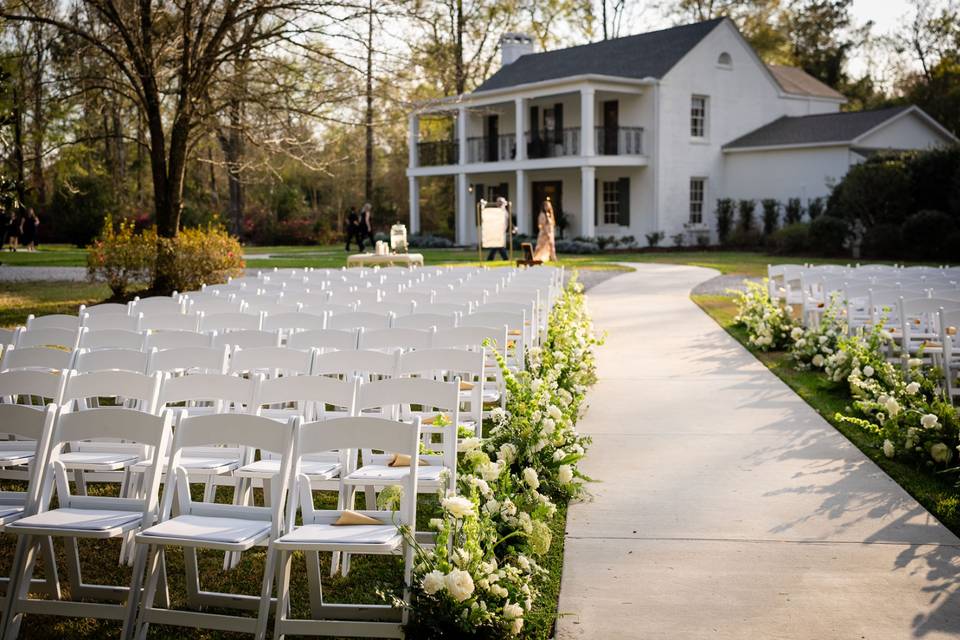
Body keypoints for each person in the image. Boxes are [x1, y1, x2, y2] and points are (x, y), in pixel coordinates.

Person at [486, 197, 511, 261]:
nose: (498, 203)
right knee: (497, 246)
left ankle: (491, 259)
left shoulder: (503, 211)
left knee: (498, 246)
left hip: (500, 231)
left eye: (500, 202)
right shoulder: (497, 211)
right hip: (497, 231)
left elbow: (504, 223)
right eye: (498, 201)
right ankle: (504, 258)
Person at [533, 197, 557, 262]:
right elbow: (542, 225)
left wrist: (550, 233)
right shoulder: (542, 214)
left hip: (550, 233)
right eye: (546, 206)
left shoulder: (550, 215)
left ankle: (553, 258)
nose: (547, 207)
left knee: (551, 246)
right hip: (544, 234)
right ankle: (533, 258)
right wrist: (546, 233)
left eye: (548, 206)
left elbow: (552, 224)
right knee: (540, 247)